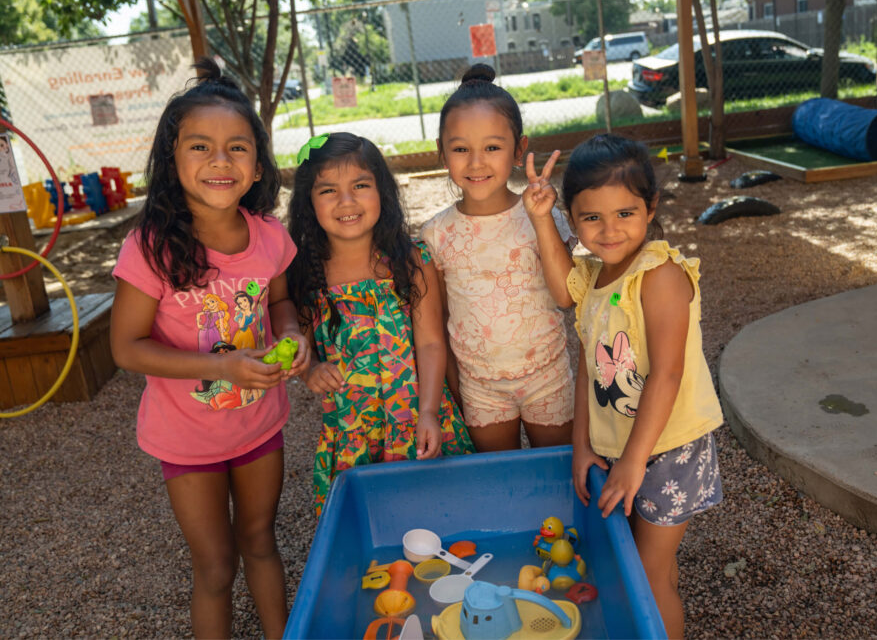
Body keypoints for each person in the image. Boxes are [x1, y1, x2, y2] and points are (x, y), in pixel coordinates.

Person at [109, 58, 310, 640]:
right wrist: (221, 365)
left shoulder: (269, 234)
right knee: (217, 566)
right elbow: (127, 347)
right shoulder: (149, 248)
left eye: (237, 147)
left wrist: (293, 335)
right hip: (187, 440)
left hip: (259, 427)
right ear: (172, 160)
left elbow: (279, 305)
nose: (220, 161)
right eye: (200, 146)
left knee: (261, 542)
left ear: (257, 164)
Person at [523, 133, 723, 638]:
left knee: (648, 578)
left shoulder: (661, 275)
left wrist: (633, 462)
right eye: (591, 217)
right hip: (623, 449)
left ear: (650, 207)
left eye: (625, 213)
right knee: (647, 565)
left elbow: (668, 373)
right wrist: (582, 445)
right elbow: (588, 359)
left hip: (669, 448)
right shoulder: (592, 277)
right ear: (573, 217)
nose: (609, 230)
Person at [286, 132, 474, 518]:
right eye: (328, 191)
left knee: (442, 518)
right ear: (308, 202)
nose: (347, 201)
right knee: (372, 530)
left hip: (416, 418)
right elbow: (299, 346)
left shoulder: (411, 260)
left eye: (360, 185)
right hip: (352, 433)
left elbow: (431, 344)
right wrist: (310, 371)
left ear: (382, 192)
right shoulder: (304, 272)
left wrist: (428, 413)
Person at [419, 63, 575, 452]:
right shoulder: (436, 234)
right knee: (498, 482)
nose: (476, 162)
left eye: (492, 147)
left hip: (548, 376)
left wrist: (541, 221)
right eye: (460, 149)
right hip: (480, 387)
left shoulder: (545, 213)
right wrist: (451, 391)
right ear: (442, 154)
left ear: (519, 149)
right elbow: (437, 320)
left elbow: (567, 296)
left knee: (556, 477)